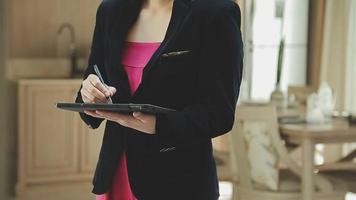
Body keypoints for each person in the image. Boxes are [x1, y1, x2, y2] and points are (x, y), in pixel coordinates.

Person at [75, 0, 244, 199]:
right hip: (114, 179)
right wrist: (88, 93)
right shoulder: (111, 10)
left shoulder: (216, 13)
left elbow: (220, 113)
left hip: (179, 184)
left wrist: (159, 125)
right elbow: (94, 79)